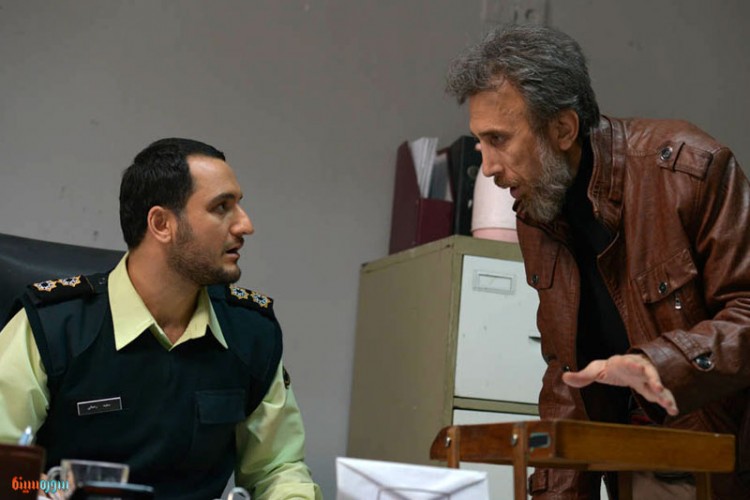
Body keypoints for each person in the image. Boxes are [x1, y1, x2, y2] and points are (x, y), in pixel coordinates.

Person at [446, 24, 750, 499]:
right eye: (480, 141)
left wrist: (661, 364)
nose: (486, 166)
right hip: (636, 460)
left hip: (723, 459)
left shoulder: (688, 169)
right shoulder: (537, 211)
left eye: (498, 139)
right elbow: (565, 375)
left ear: (563, 129)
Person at [0, 138, 322, 500]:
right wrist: (66, 490)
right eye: (222, 207)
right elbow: (7, 474)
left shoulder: (250, 333)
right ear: (161, 223)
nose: (245, 225)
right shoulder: (53, 327)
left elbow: (278, 469)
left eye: (239, 205)